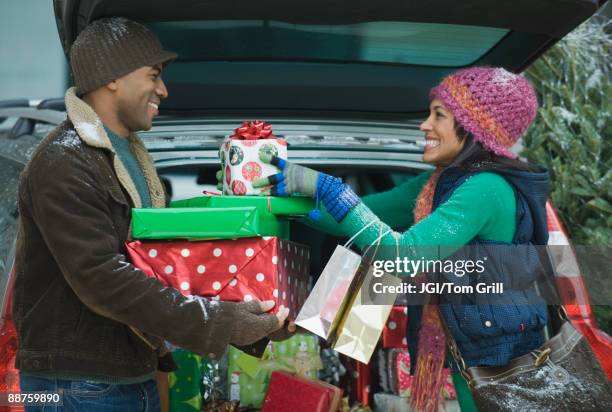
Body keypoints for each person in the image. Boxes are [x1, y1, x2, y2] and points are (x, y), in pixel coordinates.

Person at [13, 17, 290, 411]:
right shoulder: (65, 162)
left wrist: (256, 319)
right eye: (154, 75)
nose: (163, 89)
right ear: (113, 76)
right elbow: (102, 279)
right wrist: (222, 322)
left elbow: (160, 268)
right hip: (76, 386)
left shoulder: (130, 159)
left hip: (127, 376)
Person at [253, 67, 550, 411]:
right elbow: (358, 215)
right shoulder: (440, 183)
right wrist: (271, 197)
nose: (425, 125)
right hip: (474, 350)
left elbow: (401, 258)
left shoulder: (486, 189)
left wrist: (332, 190)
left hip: (498, 361)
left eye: (438, 115)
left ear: (474, 128)